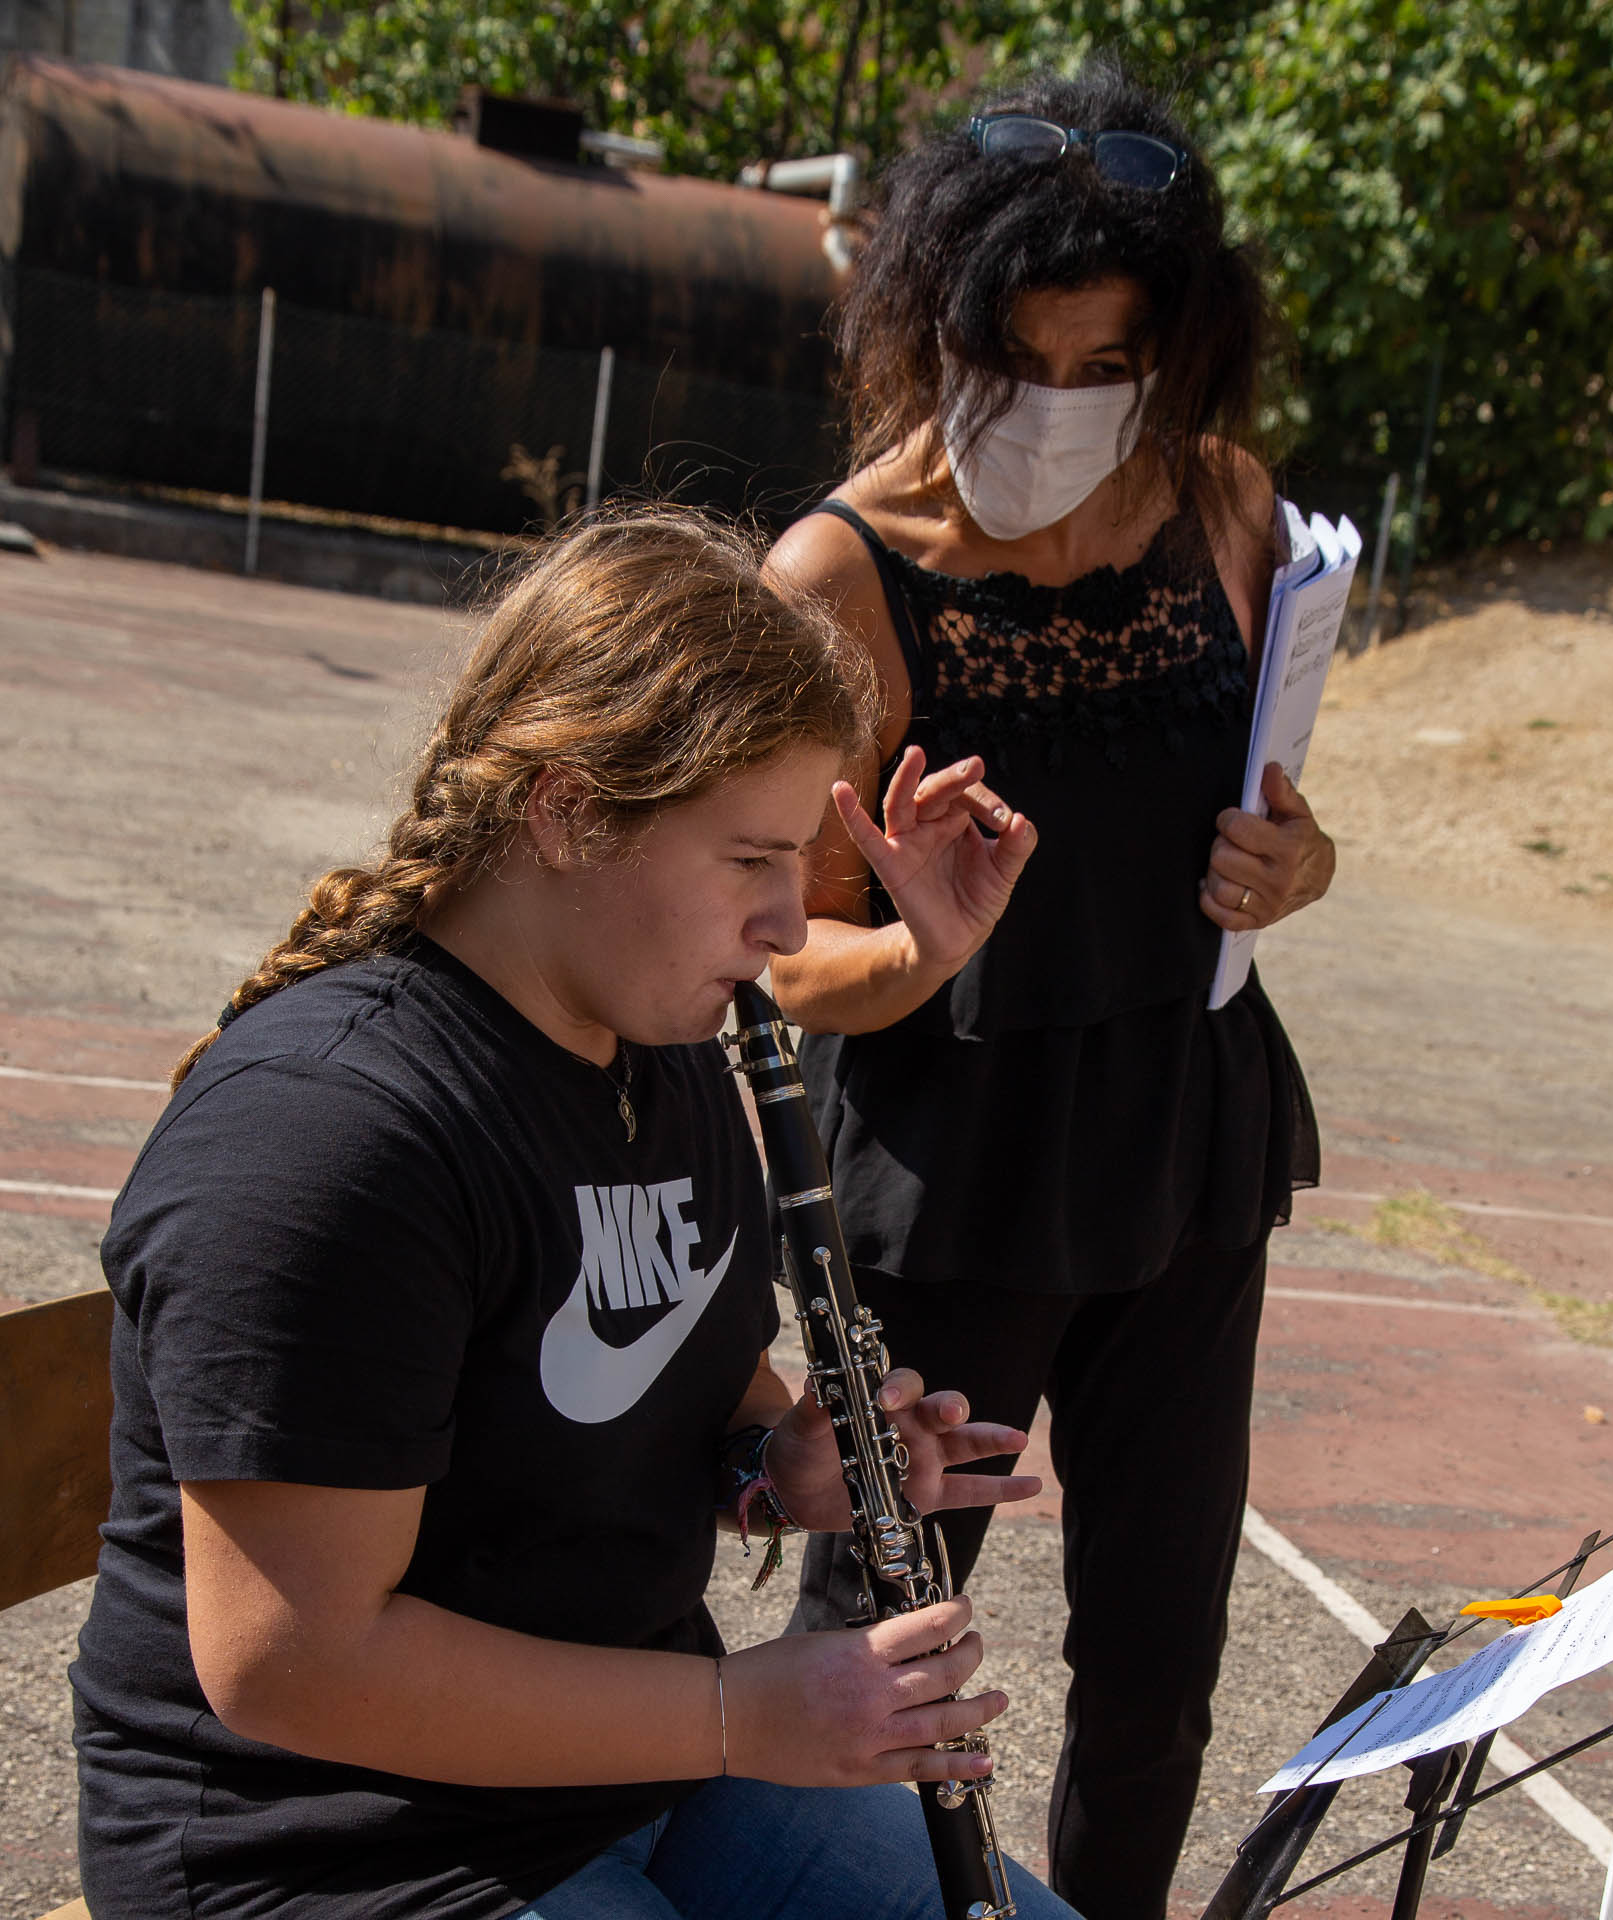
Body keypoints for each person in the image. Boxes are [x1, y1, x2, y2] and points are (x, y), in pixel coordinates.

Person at [70, 509, 1080, 1920]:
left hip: (631, 1780)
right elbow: (292, 1662)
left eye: (798, 861)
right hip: (329, 1851)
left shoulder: (657, 1053)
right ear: (566, 811)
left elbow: (688, 1380)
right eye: (750, 859)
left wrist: (778, 1466)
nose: (791, 925)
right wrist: (741, 1714)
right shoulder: (328, 1137)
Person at [764, 61, 1335, 1920]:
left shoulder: (1228, 507)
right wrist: (918, 947)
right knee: (885, 1643)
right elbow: (780, 949)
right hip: (957, 1168)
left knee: (1160, 1656)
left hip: (1189, 1138)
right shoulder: (840, 572)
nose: (1067, 402)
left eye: (1114, 366)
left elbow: (1272, 812)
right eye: (1022, 359)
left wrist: (1301, 863)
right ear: (933, 326)